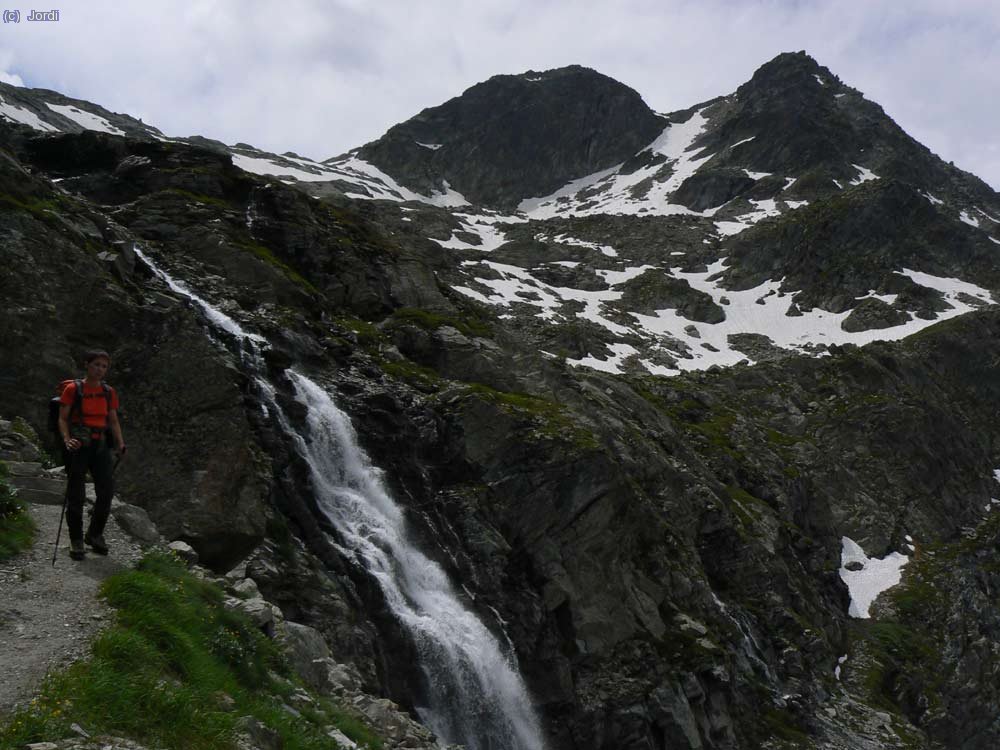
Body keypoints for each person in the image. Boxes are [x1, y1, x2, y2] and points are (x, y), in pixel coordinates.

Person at [57, 350, 127, 560]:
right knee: (76, 494)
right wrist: (66, 439)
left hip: (100, 446)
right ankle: (76, 539)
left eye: (104, 366)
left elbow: (113, 420)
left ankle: (94, 535)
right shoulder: (72, 389)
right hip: (78, 447)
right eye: (96, 364)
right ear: (87, 365)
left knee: (106, 492)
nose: (100, 369)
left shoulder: (108, 392)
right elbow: (62, 418)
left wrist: (120, 444)